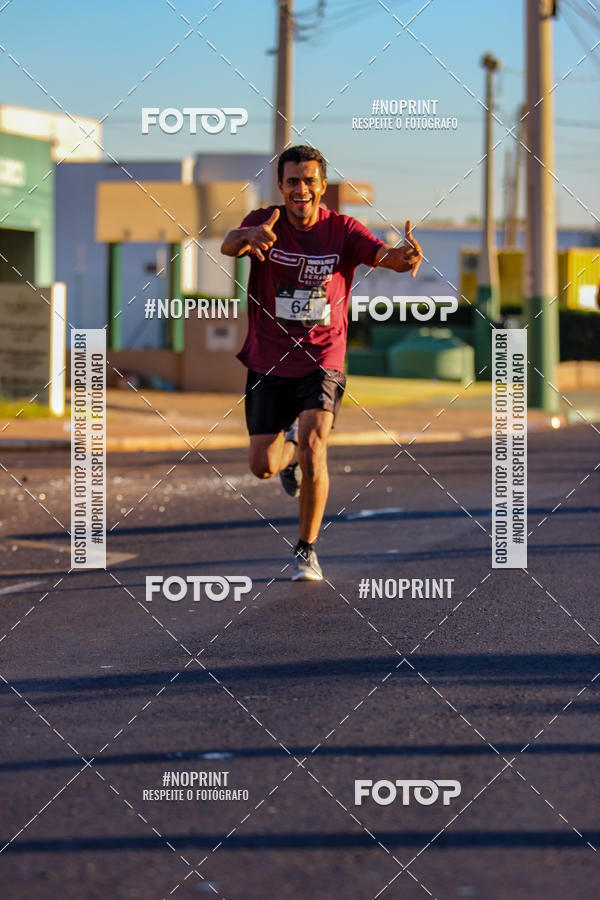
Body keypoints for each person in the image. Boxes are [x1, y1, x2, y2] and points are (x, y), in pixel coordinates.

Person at [221, 145, 422, 582]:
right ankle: (287, 452)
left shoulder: (344, 230)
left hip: (322, 358)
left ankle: (306, 549)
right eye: (292, 181)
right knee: (262, 466)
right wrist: (246, 239)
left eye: (309, 181)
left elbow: (382, 255)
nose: (301, 189)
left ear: (322, 187)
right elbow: (228, 243)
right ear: (281, 186)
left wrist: (402, 258)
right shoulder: (264, 221)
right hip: (270, 360)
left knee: (316, 447)